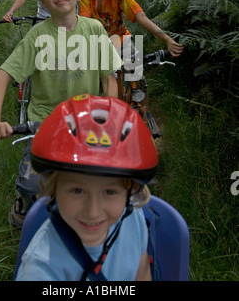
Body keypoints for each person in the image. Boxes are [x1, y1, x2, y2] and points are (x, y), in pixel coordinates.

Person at [0, 0, 122, 227]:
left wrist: (110, 113)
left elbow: (108, 78)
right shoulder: (38, 36)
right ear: (43, 1)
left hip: (87, 124)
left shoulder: (94, 30)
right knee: (35, 189)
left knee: (100, 185)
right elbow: (3, 75)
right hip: (44, 125)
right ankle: (25, 205)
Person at [15, 94, 158, 281]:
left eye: (110, 192)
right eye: (77, 190)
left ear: (130, 191)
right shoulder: (40, 269)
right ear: (53, 187)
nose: (93, 212)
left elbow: (141, 273)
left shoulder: (134, 218)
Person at [79, 0, 184, 138]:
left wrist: (167, 39)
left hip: (120, 39)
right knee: (94, 83)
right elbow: (84, 22)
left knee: (137, 74)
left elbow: (140, 16)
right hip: (94, 41)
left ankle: (146, 114)